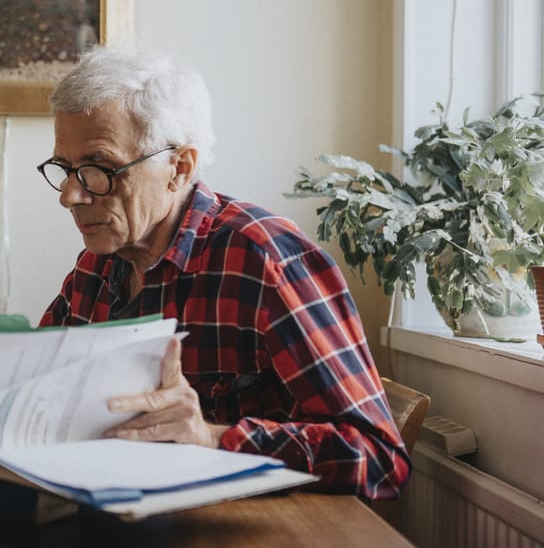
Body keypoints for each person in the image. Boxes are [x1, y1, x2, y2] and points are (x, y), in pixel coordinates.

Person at [36, 46, 409, 501]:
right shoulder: (97, 264)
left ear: (179, 167)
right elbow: (42, 393)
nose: (71, 196)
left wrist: (213, 437)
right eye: (66, 170)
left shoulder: (267, 260)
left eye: (99, 169)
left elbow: (378, 456)